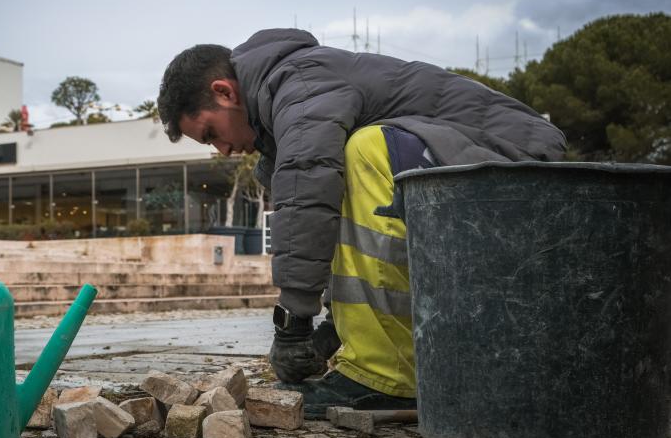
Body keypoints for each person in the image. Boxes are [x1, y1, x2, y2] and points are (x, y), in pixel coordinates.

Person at [157, 29, 567, 417]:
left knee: (362, 151)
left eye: (211, 133)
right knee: (338, 174)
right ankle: (378, 354)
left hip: (522, 173)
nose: (223, 151)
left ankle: (386, 376)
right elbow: (341, 228)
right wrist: (333, 332)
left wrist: (294, 323)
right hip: (482, 179)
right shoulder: (292, 98)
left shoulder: (299, 84)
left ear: (224, 92)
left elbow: (308, 201)